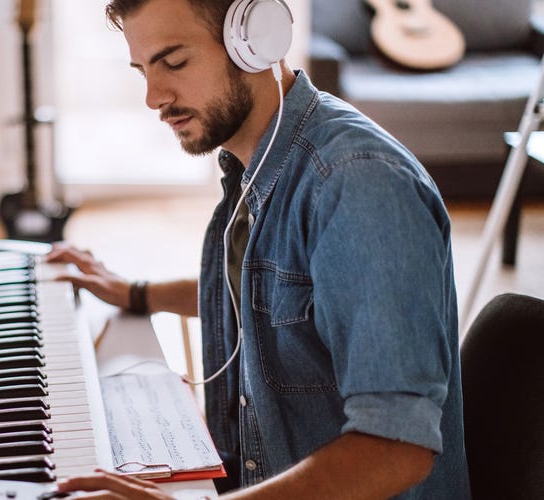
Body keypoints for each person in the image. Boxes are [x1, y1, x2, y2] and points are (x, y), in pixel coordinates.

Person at [45, 0, 471, 498]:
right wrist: (135, 293)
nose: (153, 97)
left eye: (174, 62)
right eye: (143, 69)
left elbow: (397, 448)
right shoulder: (261, 163)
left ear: (255, 39)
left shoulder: (358, 184)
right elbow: (270, 293)